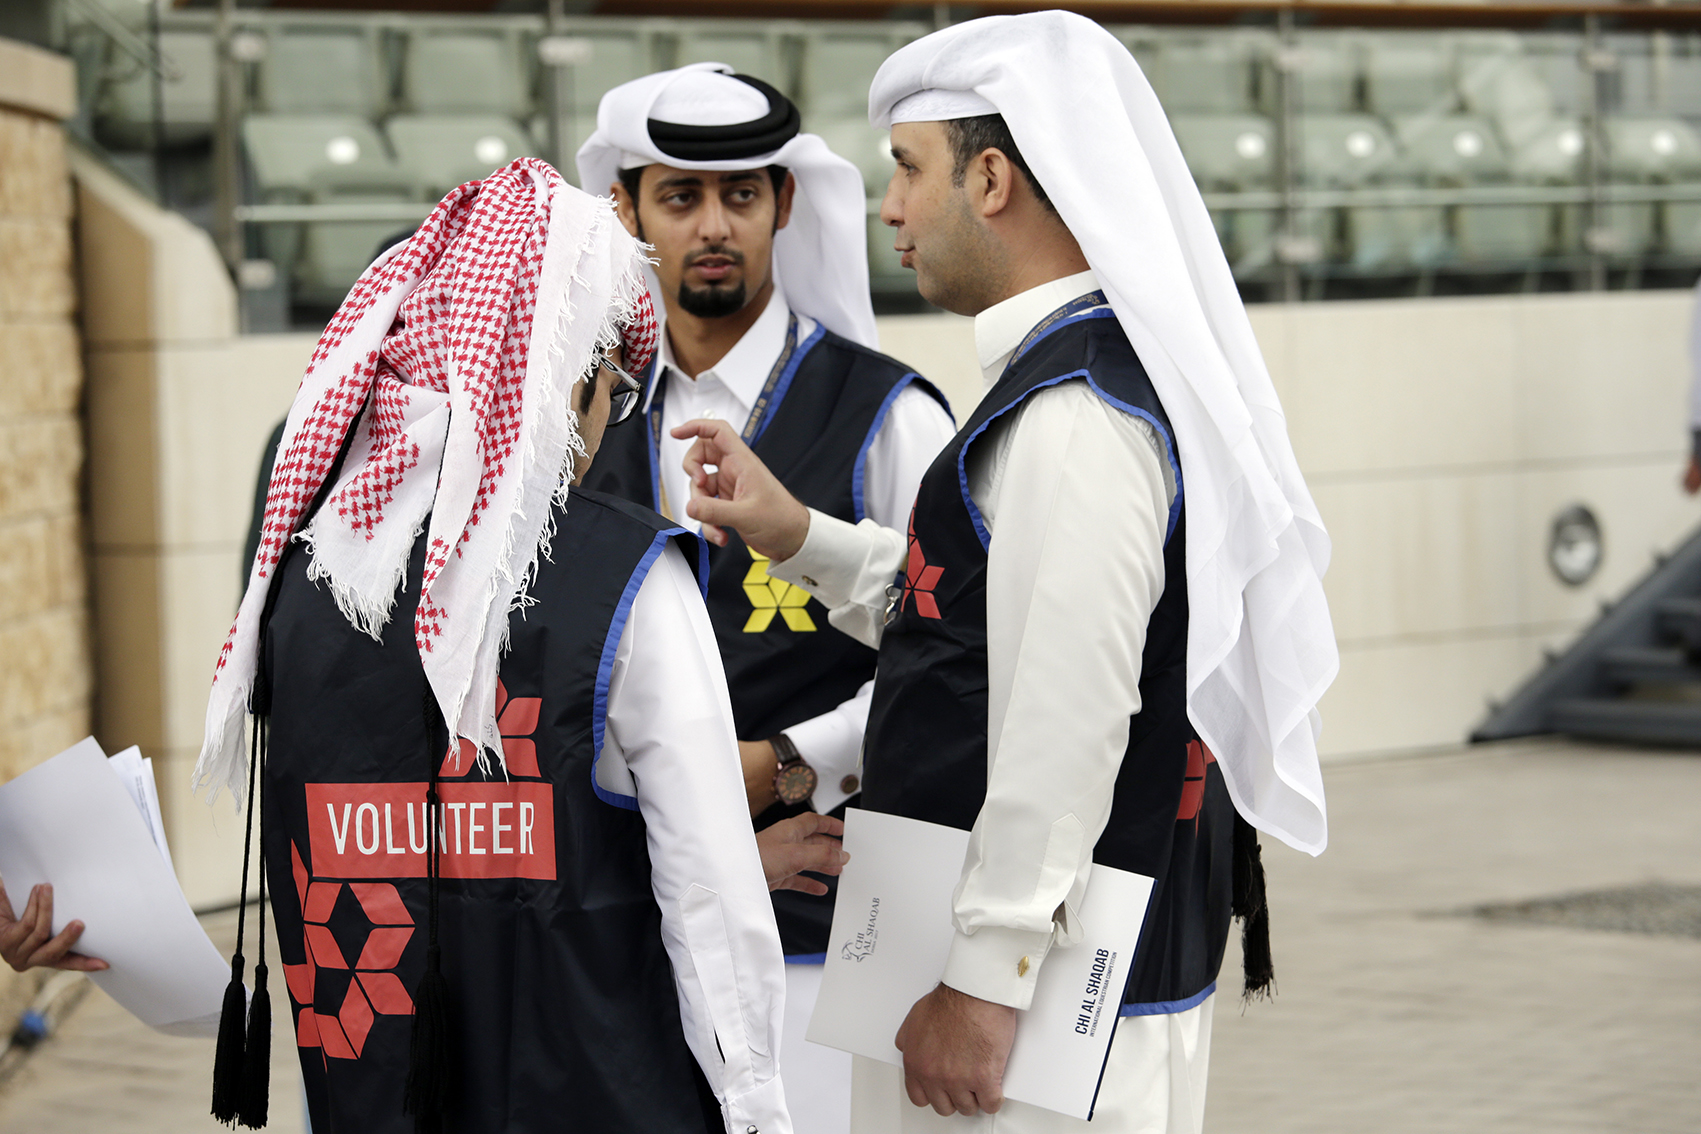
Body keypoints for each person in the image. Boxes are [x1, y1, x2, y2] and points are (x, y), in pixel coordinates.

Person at [672, 13, 1338, 1133]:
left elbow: (1065, 710)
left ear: (990, 178)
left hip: (1035, 1034)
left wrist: (985, 982)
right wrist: (801, 536)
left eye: (907, 168)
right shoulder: (1069, 380)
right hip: (1029, 1004)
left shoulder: (1078, 413)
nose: (889, 207)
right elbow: (983, 617)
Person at [193, 159, 843, 1134]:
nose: (601, 430)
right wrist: (757, 1106)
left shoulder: (295, 585)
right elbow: (707, 890)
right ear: (567, 376)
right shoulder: (624, 574)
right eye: (613, 391)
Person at [577, 64, 957, 1133]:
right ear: (625, 209)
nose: (713, 225)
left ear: (786, 204)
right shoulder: (579, 422)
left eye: (741, 195)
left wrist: (789, 760)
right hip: (623, 941)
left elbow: (954, 662)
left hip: (822, 936)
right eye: (681, 196)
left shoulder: (888, 417)